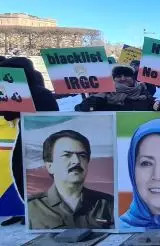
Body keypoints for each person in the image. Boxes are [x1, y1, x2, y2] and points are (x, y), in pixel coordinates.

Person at [0, 57, 58, 227]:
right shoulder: (12, 91)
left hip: (41, 138)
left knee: (40, 177)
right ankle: (26, 208)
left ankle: (41, 211)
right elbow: (9, 115)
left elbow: (52, 116)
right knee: (18, 172)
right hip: (23, 136)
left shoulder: (40, 92)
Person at [27, 130, 114, 229]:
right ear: (50, 166)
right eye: (66, 155)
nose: (76, 161)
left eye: (82, 156)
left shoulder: (108, 204)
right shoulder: (32, 208)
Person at [75, 65, 154, 111]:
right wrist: (97, 98)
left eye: (126, 75)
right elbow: (81, 108)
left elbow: (153, 107)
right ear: (113, 79)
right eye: (118, 76)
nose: (123, 79)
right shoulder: (105, 94)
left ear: (133, 78)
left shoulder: (142, 90)